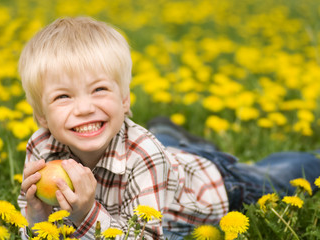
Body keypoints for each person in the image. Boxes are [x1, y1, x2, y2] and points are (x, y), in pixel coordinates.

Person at [17, 16, 320, 239]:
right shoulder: (41, 149)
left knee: (285, 174)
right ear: (42, 117)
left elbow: (146, 236)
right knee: (164, 147)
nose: (84, 108)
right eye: (63, 96)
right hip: (169, 164)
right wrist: (35, 217)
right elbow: (29, 221)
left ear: (124, 100)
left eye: (99, 90)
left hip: (217, 186)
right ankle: (173, 137)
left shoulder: (145, 154)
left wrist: (85, 215)